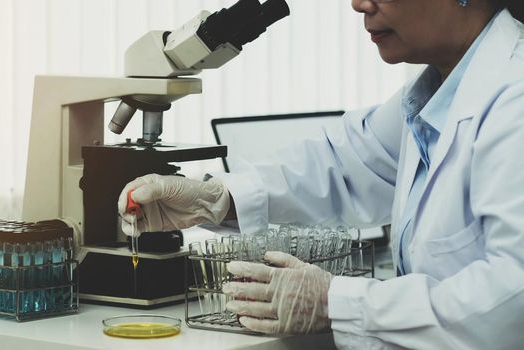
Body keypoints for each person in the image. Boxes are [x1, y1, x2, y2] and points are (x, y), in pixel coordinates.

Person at [117, 0, 524, 348]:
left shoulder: (514, 98)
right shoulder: (440, 90)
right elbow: (345, 164)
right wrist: (217, 199)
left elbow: (511, 300)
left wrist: (336, 302)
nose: (358, 3)